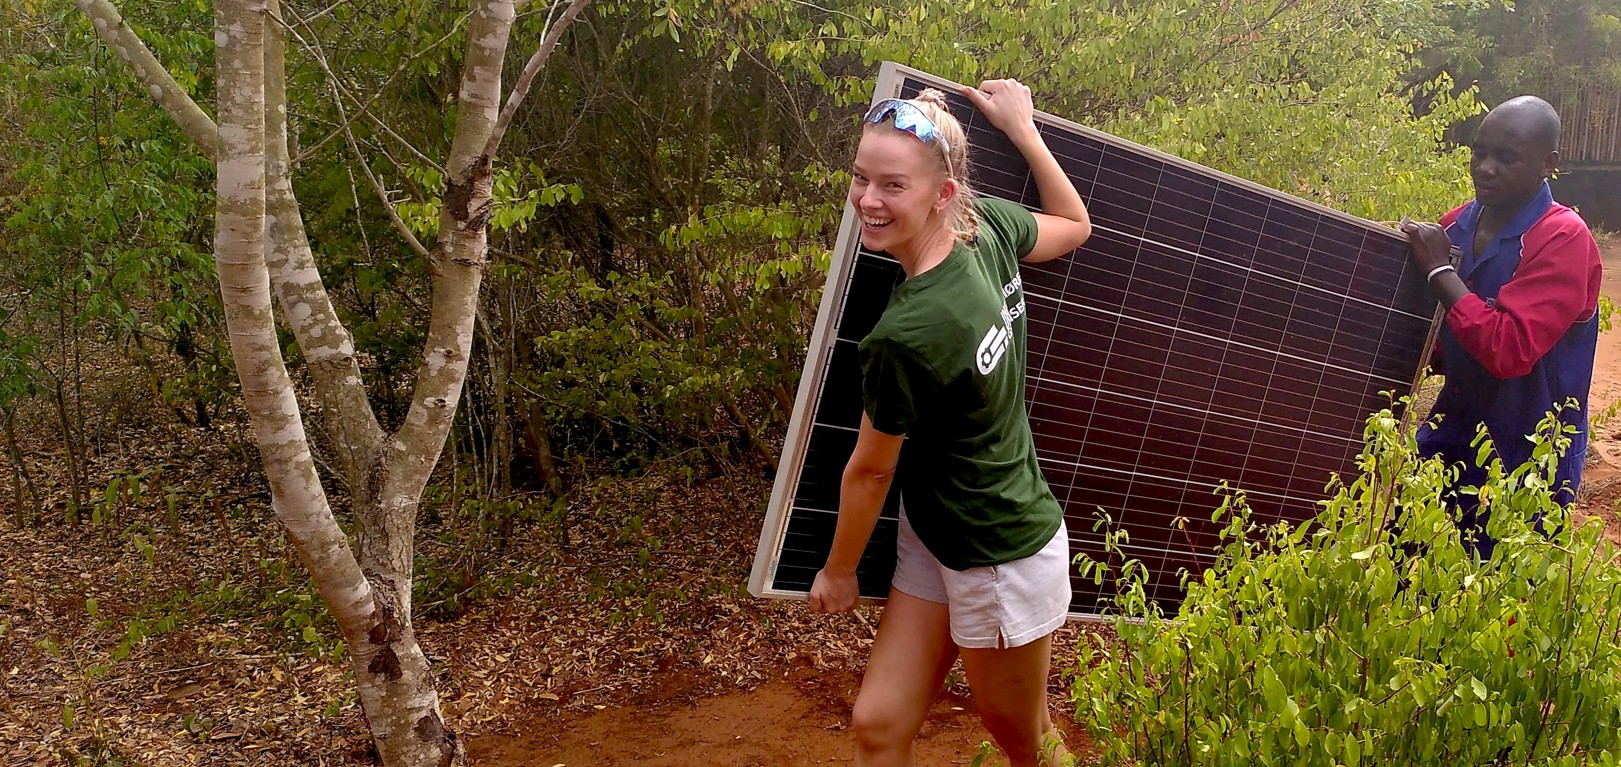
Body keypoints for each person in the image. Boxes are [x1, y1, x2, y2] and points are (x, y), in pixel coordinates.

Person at [806, 79, 1091, 767]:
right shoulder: (982, 223)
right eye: (860, 178)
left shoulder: (907, 332)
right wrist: (1022, 129)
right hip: (936, 529)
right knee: (878, 725)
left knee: (1022, 738)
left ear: (941, 193)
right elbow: (1073, 224)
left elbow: (871, 467)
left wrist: (838, 571)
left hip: (996, 549)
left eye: (892, 185)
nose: (868, 200)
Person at [1402, 95, 1603, 559]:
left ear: (1547, 164)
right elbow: (1434, 338)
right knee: (1408, 570)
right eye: (1479, 153)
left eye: (1506, 157)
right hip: (1452, 435)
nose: (1485, 168)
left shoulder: (1563, 238)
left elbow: (1508, 350)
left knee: (1499, 602)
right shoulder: (1456, 226)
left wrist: (1439, 273)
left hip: (1527, 455)